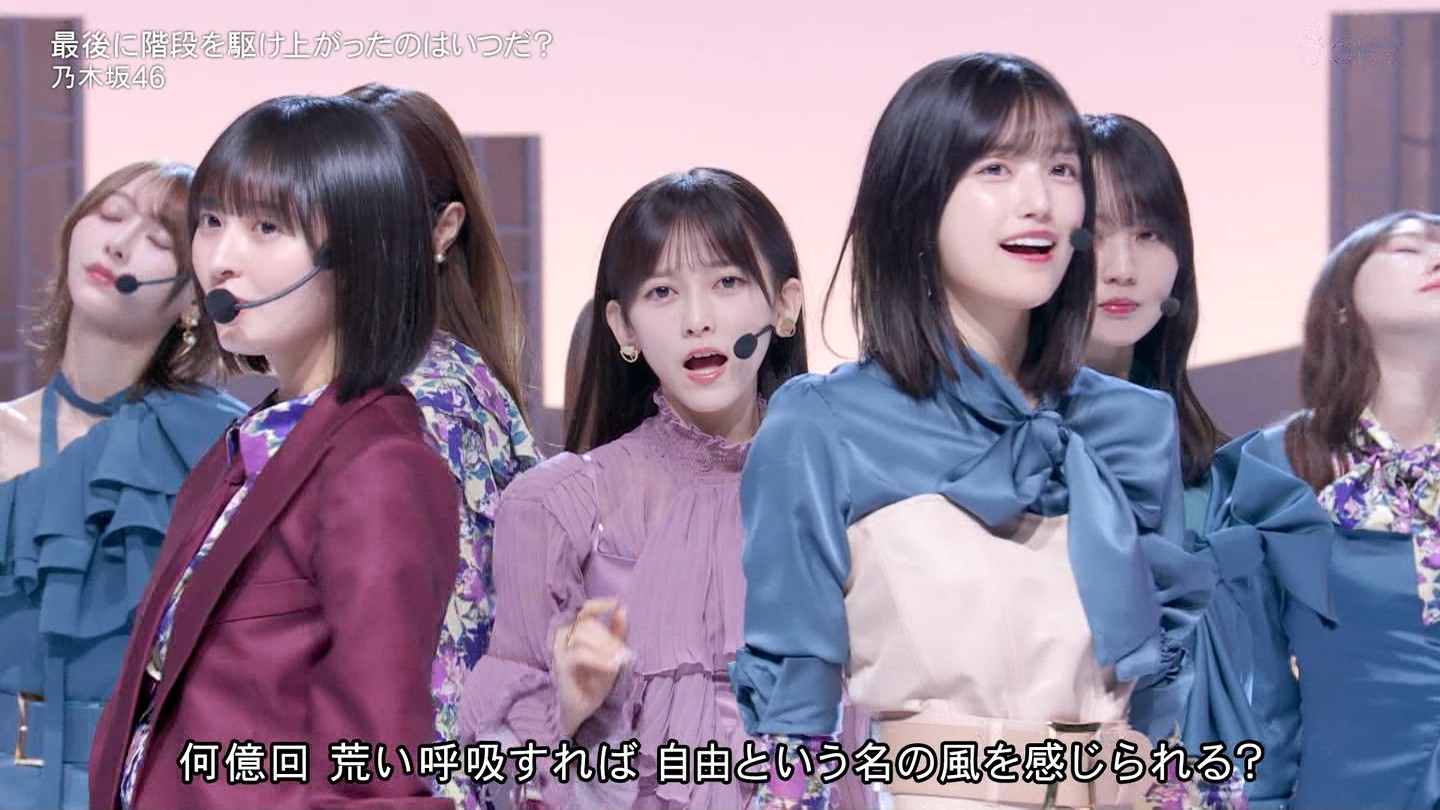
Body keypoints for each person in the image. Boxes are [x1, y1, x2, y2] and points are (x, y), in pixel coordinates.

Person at [731, 54, 1211, 809]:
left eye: (1061, 169)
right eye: (996, 168)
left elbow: (1162, 689)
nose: (1039, 201)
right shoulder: (824, 424)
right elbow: (793, 727)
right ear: (915, 199)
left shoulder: (1132, 424)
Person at [87, 95, 459, 809]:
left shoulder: (379, 467)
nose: (221, 260)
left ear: (358, 253)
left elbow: (378, 766)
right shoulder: (244, 446)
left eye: (266, 227)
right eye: (211, 222)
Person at [459, 167, 872, 808]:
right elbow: (481, 767)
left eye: (728, 282)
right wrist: (565, 704)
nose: (697, 320)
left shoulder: (854, 496)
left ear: (785, 306)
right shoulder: (558, 506)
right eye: (662, 292)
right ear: (623, 327)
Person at [1082, 113, 1334, 808]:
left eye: (1149, 234)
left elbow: (1274, 707)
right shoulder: (995, 465)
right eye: (1094, 235)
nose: (1123, 266)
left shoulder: (1233, 487)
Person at [0, 161, 245, 810]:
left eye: (159, 240)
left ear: (193, 297)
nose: (118, 244)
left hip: (146, 785)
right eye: (109, 214)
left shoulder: (221, 448)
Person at [346, 83, 543, 808]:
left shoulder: (431, 401)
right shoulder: (399, 384)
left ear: (443, 227)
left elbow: (450, 664)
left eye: (370, 212)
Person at [1259, 210, 1440, 808]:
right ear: (1340, 304)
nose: (1436, 258)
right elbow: (1252, 679)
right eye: (1408, 248)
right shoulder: (1276, 463)